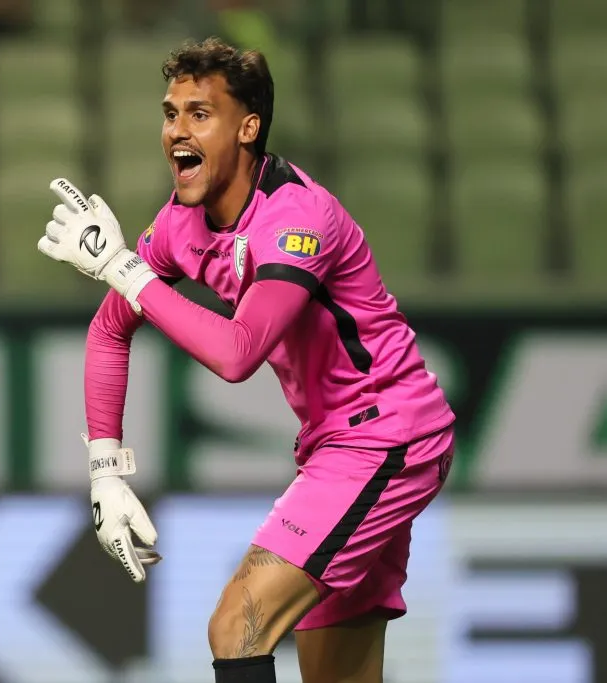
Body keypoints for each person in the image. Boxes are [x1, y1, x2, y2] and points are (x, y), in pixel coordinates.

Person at [37, 38, 455, 683]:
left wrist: (122, 268)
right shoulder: (179, 225)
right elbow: (109, 331)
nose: (177, 129)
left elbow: (238, 355)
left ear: (248, 127)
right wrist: (105, 472)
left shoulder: (298, 218)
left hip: (386, 435)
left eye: (200, 113)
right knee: (338, 675)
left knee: (238, 623)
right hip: (337, 443)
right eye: (171, 112)